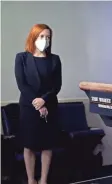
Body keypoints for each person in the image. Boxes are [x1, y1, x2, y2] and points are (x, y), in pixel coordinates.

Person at [14, 24, 62, 184]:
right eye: (42, 36)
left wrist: (44, 100)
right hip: (29, 108)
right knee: (29, 145)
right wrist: (38, 104)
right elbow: (22, 85)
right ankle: (30, 180)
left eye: (48, 37)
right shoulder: (22, 58)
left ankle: (43, 180)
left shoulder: (55, 59)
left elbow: (56, 86)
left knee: (47, 145)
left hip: (50, 107)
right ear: (33, 37)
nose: (45, 40)